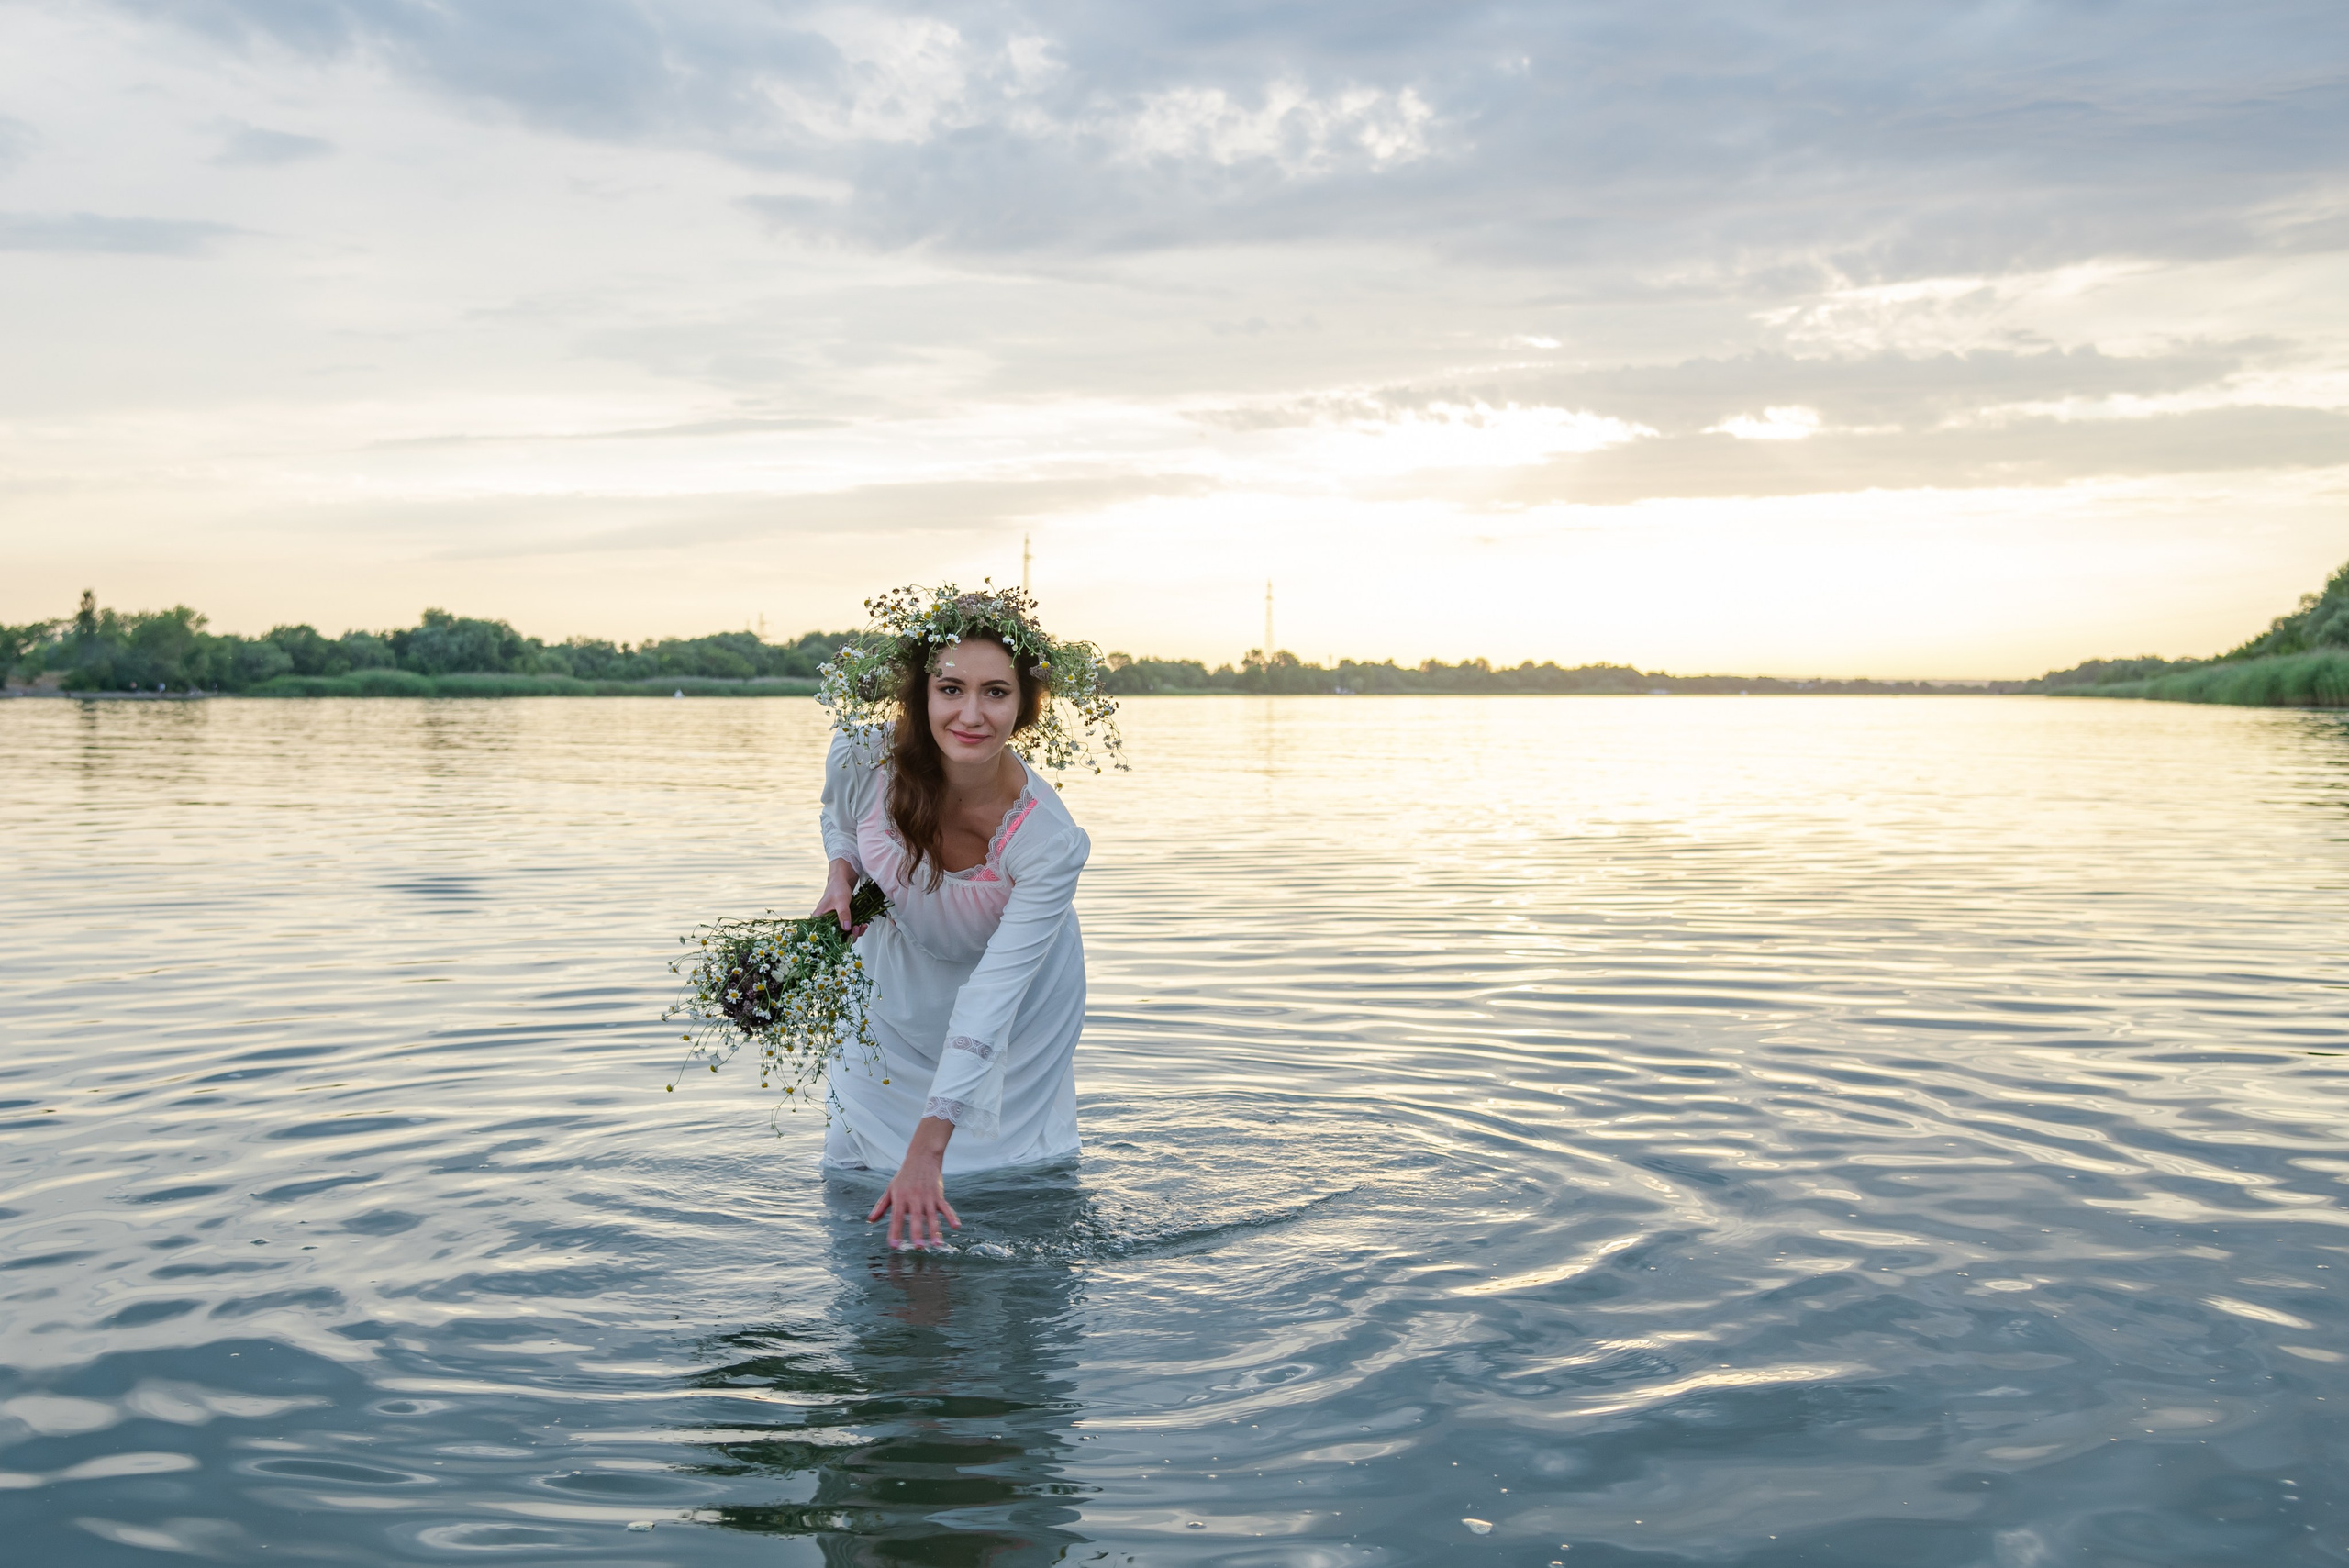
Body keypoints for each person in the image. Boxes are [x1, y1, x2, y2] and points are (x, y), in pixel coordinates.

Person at [809, 585, 1120, 1251]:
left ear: (1026, 705)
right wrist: (841, 873)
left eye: (996, 692)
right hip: (893, 991)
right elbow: (841, 823)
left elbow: (994, 996)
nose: (971, 714)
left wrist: (931, 1139)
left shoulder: (1046, 841)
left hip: (1017, 1005)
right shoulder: (861, 756)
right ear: (922, 696)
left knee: (1000, 1199)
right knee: (853, 1175)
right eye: (951, 688)